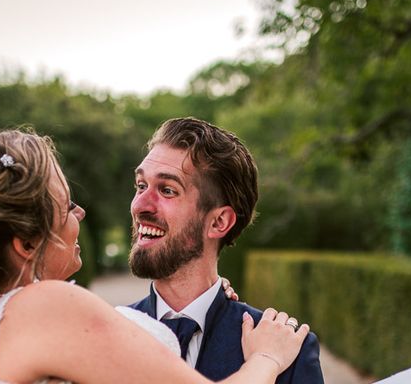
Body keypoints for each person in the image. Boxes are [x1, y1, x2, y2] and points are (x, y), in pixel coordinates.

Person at [0, 129, 310, 384]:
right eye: (68, 207)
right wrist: (267, 358)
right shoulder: (47, 307)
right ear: (25, 243)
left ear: (219, 222)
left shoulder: (2, 322)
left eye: (166, 189)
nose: (81, 214)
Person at [128, 117, 324, 383]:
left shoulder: (289, 350)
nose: (140, 205)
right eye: (141, 186)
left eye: (167, 190)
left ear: (219, 222)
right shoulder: (101, 333)